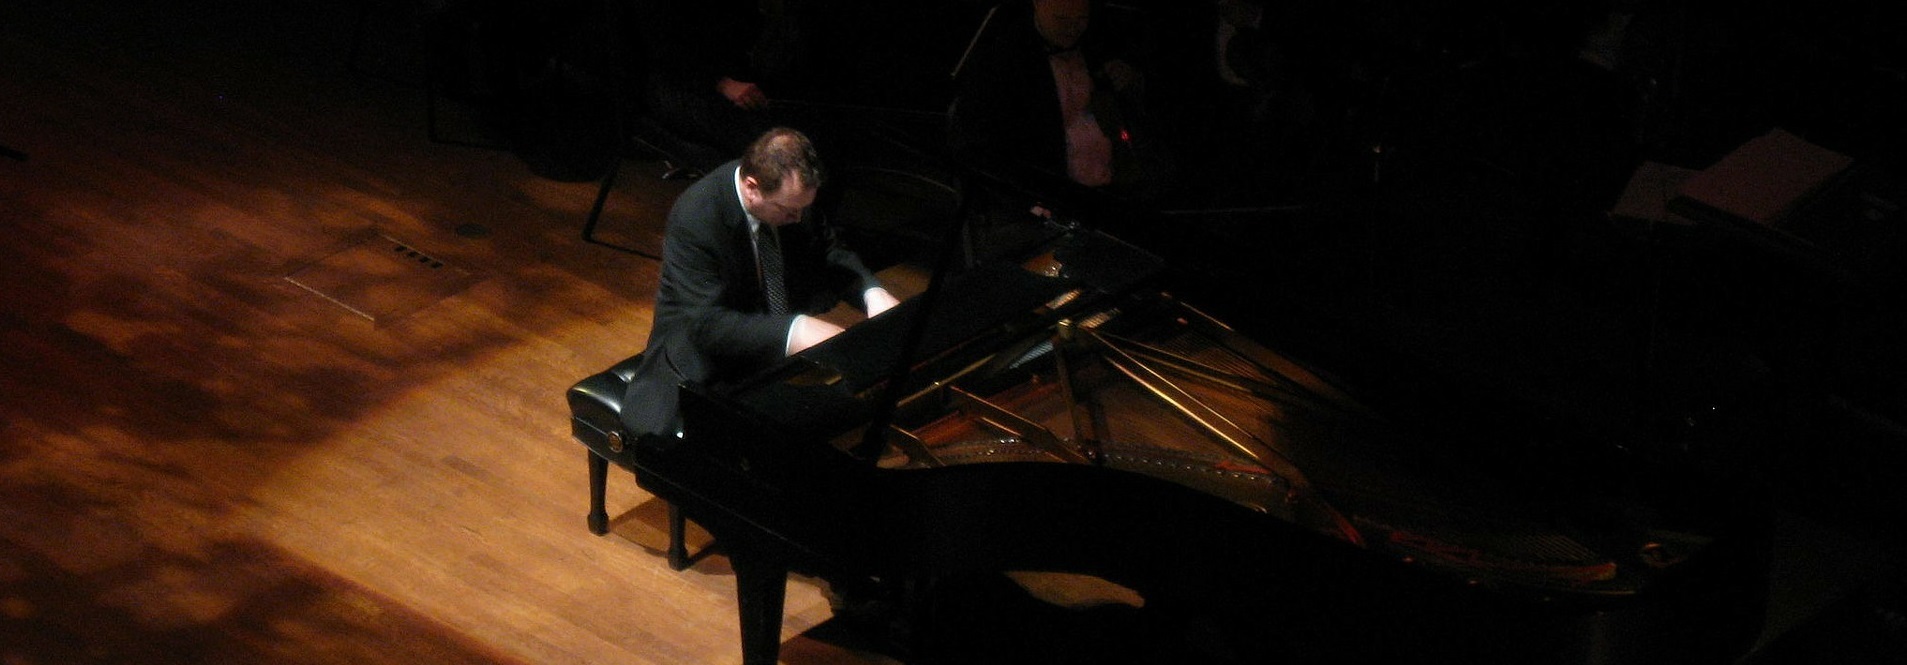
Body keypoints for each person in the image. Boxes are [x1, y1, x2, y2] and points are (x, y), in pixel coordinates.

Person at [619, 127, 900, 439]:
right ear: (752, 188)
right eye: (789, 210)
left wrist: (871, 291)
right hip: (707, 362)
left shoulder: (792, 198)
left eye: (803, 208)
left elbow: (828, 250)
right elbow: (705, 324)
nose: (798, 218)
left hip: (769, 347)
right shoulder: (696, 217)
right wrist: (795, 330)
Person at [947, 0, 1159, 194]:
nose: (1073, 28)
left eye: (1081, 19)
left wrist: (1130, 81)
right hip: (1047, 195)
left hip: (1115, 188)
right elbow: (981, 144)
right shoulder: (1003, 61)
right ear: (1037, 4)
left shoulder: (1100, 44)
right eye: (1062, 19)